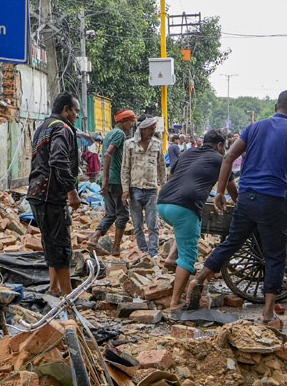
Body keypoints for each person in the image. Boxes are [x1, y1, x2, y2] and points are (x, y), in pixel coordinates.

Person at [187, 90, 287, 322]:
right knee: (276, 255)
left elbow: (228, 157)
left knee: (231, 243)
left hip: (247, 197)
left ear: (276, 106)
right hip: (274, 200)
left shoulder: (254, 127)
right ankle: (268, 312)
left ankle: (198, 279)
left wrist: (219, 192)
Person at [159, 129, 238, 310]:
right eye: (224, 147)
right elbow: (233, 191)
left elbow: (173, 176)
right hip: (184, 206)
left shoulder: (188, 153)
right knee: (188, 255)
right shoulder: (220, 159)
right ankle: (175, 301)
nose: (225, 151)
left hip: (163, 202)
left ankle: (171, 258)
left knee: (185, 231)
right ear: (219, 145)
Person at [27, 93, 82, 296]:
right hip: (50, 194)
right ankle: (68, 294)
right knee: (61, 244)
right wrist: (72, 191)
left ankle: (54, 287)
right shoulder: (62, 127)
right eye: (75, 111)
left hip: (36, 192)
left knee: (50, 241)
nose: (77, 116)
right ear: (66, 110)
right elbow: (58, 160)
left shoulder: (42, 128)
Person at [90, 109, 137, 254]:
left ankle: (94, 239)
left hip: (108, 179)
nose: (132, 125)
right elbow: (107, 154)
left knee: (111, 213)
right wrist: (106, 179)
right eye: (131, 122)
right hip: (115, 180)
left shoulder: (110, 133)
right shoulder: (119, 134)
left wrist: (104, 179)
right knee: (122, 213)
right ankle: (116, 248)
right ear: (123, 121)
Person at [121, 116, 166, 256]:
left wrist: (163, 185)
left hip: (152, 189)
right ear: (143, 129)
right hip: (135, 189)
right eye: (150, 129)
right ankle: (142, 251)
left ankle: (153, 252)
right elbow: (125, 168)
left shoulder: (157, 144)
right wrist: (125, 190)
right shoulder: (129, 144)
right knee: (138, 224)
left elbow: (162, 167)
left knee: (153, 223)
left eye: (154, 129)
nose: (153, 131)